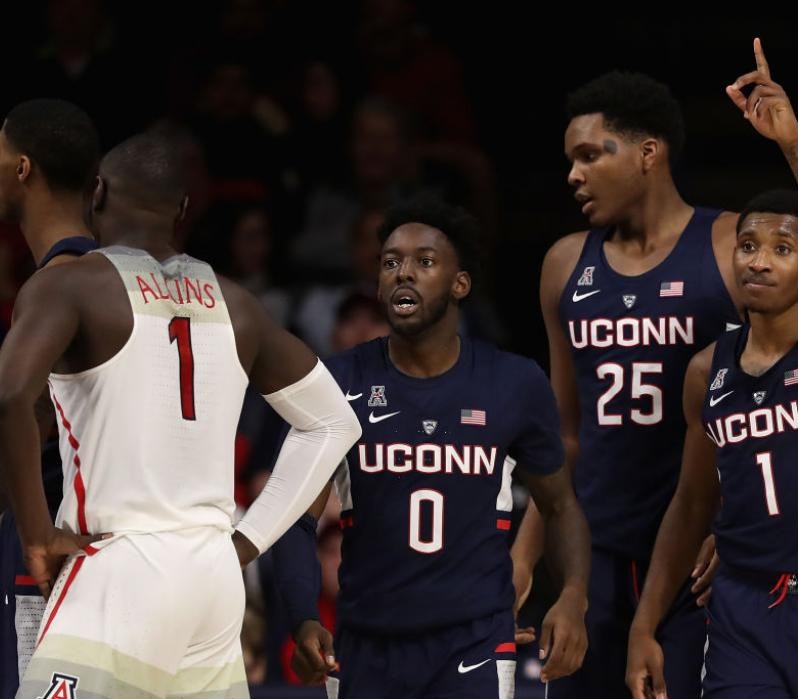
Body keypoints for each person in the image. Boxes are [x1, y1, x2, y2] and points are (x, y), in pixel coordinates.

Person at [0, 132, 362, 698]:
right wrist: (247, 543)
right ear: (185, 210)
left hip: (123, 567)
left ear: (97, 193)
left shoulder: (70, 285)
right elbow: (335, 421)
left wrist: (37, 536)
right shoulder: (238, 302)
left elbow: (10, 396)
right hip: (213, 580)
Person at [626, 39, 798, 699]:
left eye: (781, 246)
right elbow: (692, 502)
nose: (758, 259)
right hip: (745, 611)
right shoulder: (705, 371)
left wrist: (795, 144)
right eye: (747, 244)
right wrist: (644, 624)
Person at [273, 198, 591, 698]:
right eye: (391, 262)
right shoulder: (337, 381)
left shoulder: (514, 382)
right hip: (365, 645)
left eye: (425, 261)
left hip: (474, 644)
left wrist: (573, 595)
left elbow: (559, 503)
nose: (404, 273)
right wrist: (303, 616)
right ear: (377, 283)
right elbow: (295, 516)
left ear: (460, 283)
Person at [509, 70, 741, 697]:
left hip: (701, 559)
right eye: (569, 161)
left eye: (589, 155)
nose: (573, 175)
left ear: (648, 152)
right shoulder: (564, 264)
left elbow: (789, 400)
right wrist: (524, 556)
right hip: (597, 556)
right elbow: (565, 437)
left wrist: (740, 521)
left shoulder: (731, 245)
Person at [0, 98, 101, 699]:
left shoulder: (56, 286)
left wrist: (35, 534)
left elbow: (18, 406)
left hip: (54, 544)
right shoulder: (121, 274)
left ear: (23, 169)